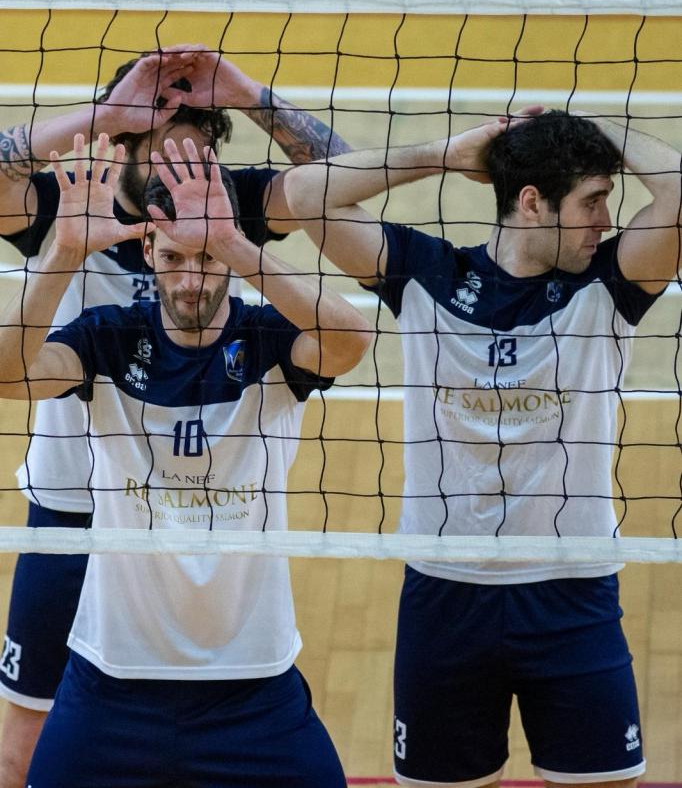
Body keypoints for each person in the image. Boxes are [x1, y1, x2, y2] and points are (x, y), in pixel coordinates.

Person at [283, 108, 682, 787]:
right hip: (446, 595)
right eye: (592, 201)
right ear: (531, 202)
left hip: (572, 592)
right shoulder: (427, 274)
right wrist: (443, 153)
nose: (606, 219)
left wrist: (588, 127)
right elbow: (304, 194)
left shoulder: (608, 283)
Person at [0, 46, 351, 788]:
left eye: (197, 157)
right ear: (122, 143)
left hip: (194, 511)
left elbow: (340, 181)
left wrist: (251, 97)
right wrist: (104, 114)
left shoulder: (223, 206)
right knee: (23, 743)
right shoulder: (74, 205)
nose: (180, 176)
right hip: (72, 504)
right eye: (163, 152)